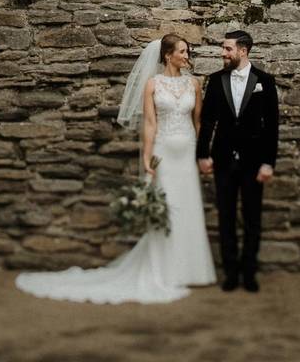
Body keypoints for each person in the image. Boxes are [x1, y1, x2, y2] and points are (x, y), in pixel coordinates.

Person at [15, 33, 216, 303]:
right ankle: (165, 271)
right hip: (163, 153)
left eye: (187, 51)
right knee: (167, 207)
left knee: (189, 206)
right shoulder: (152, 84)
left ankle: (193, 271)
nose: (187, 56)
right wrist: (147, 157)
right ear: (168, 55)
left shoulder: (194, 83)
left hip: (188, 151)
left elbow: (199, 122)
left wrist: (203, 153)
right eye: (182, 51)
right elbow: (149, 124)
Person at [196, 30, 279, 292]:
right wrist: (202, 154)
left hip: (254, 161)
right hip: (222, 159)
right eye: (224, 48)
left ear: (243, 51)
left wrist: (269, 163)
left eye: (228, 49)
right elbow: (207, 121)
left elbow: (272, 126)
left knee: (252, 218)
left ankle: (249, 272)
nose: (223, 53)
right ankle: (231, 272)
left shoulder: (264, 81)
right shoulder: (216, 80)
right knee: (226, 217)